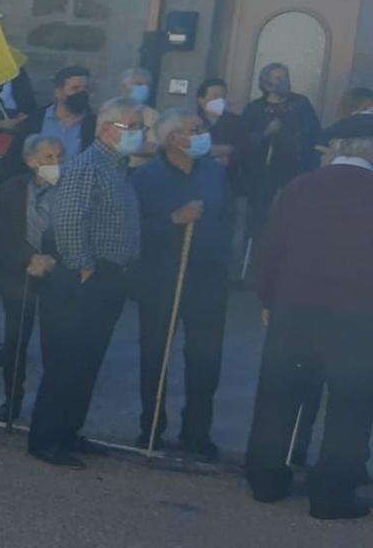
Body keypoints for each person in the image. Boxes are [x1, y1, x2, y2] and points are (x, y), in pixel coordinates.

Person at [243, 119, 373, 520]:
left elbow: (270, 247)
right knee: (349, 405)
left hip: (294, 307)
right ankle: (332, 494)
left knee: (280, 392)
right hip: (357, 313)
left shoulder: (300, 187)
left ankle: (266, 479)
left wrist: (268, 297)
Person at [26, 96, 145, 468]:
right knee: (67, 363)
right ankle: (45, 439)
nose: (140, 134)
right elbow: (69, 221)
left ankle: (68, 431)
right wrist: (82, 266)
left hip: (110, 277)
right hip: (85, 278)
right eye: (134, 126)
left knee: (88, 361)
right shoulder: (87, 167)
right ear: (109, 129)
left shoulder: (116, 168)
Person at [131, 108, 232, 457]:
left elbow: (227, 219)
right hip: (162, 277)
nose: (204, 133)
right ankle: (151, 425)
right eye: (195, 129)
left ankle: (197, 432)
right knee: (155, 353)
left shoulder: (214, 173)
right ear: (173, 138)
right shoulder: (147, 177)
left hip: (208, 277)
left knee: (205, 358)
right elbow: (133, 229)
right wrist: (173, 219)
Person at [0, 135, 62, 423]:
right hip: (19, 278)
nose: (56, 164)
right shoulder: (10, 190)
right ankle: (11, 398)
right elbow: (2, 235)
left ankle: (51, 406)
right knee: (16, 341)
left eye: (59, 157)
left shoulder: (70, 190)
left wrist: (52, 259)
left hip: (56, 276)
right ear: (31, 161)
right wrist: (29, 258)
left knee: (54, 344)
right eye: (48, 158)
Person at [238, 62, 322, 271]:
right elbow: (244, 141)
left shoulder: (301, 104)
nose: (283, 81)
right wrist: (265, 133)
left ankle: (292, 259)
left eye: (285, 76)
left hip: (297, 167)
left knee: (295, 213)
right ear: (266, 84)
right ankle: (251, 259)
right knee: (259, 215)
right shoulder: (255, 109)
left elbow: (314, 134)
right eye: (277, 78)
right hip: (263, 171)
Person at [37, 67, 96, 163]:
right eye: (75, 88)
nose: (81, 93)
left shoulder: (95, 124)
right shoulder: (35, 121)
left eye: (86, 89)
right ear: (58, 92)